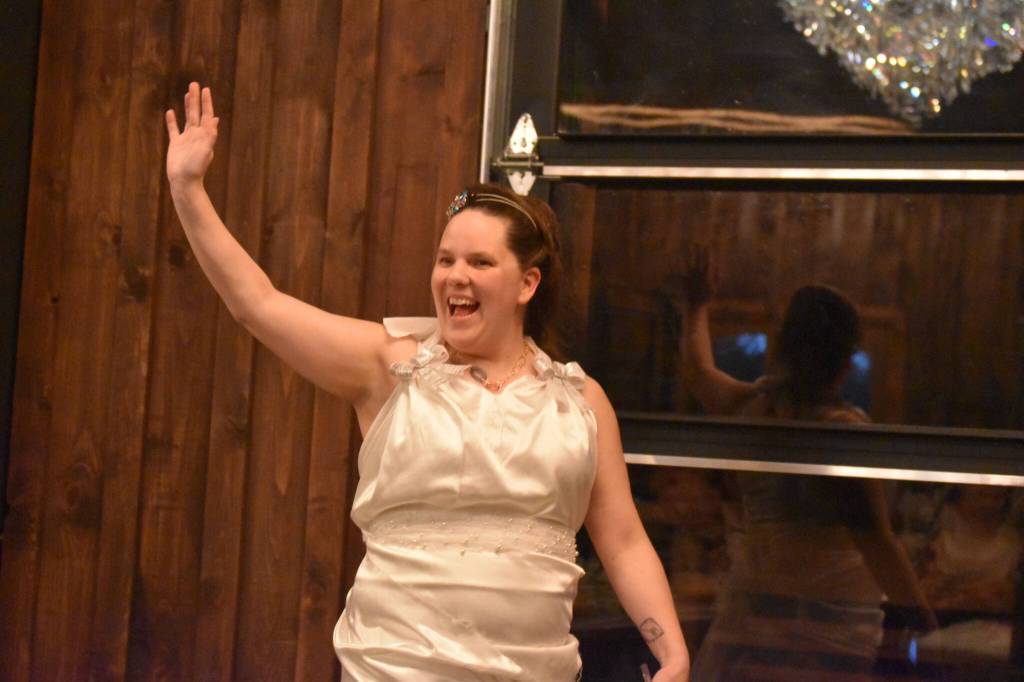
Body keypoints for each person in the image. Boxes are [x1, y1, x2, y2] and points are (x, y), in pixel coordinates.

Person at [164, 82, 689, 681]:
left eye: (480, 262)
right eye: (446, 260)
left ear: (527, 284)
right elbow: (257, 304)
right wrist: (188, 189)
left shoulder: (580, 401)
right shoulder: (391, 369)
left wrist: (672, 651)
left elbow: (622, 540)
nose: (455, 276)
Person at [675, 246, 935, 680]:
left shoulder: (754, 408)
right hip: (829, 621)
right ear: (845, 363)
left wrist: (696, 305)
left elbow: (699, 371)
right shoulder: (842, 434)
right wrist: (925, 621)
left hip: (757, 608)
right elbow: (876, 541)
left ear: (782, 348)